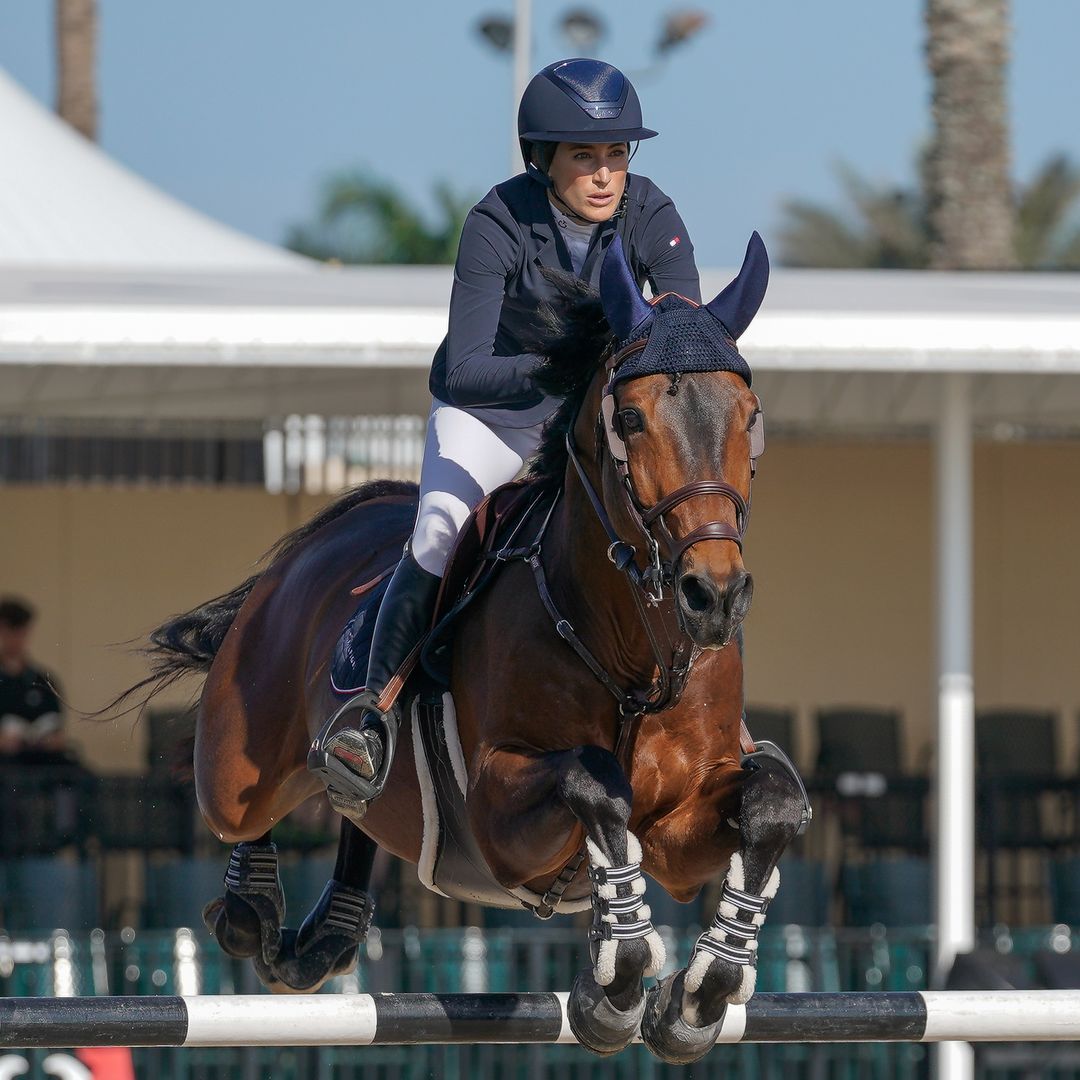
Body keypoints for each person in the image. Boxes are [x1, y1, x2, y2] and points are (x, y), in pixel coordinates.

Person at [309, 57, 701, 811]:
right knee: (436, 530)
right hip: (492, 413)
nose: (603, 175)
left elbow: (679, 333)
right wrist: (567, 371)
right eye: (584, 156)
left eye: (616, 154)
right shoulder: (497, 220)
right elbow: (466, 368)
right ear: (542, 160)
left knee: (673, 520)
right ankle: (372, 715)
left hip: (587, 417)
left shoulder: (652, 214)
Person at [0, 596, 67, 760]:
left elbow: (58, 733)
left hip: (42, 765)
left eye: (21, 632)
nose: (16, 639)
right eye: (10, 631)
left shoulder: (44, 680)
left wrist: (50, 741)